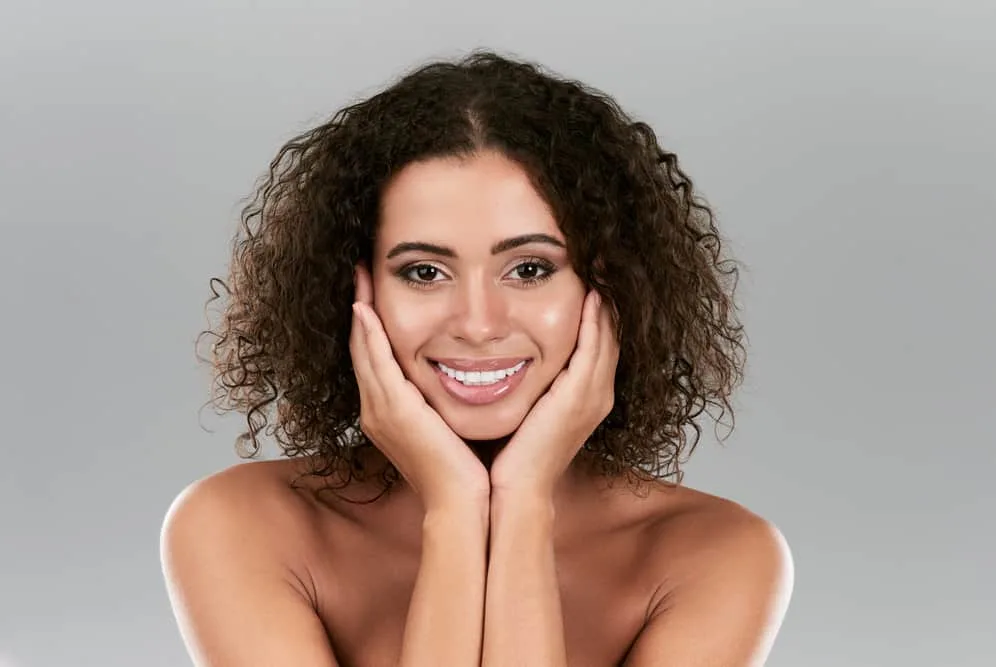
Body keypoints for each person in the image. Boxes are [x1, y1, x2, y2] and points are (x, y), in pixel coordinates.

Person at [160, 49, 793, 667]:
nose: (479, 325)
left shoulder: (716, 555)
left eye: (529, 268)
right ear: (354, 289)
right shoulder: (239, 526)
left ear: (607, 288)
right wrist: (455, 511)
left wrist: (521, 505)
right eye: (425, 271)